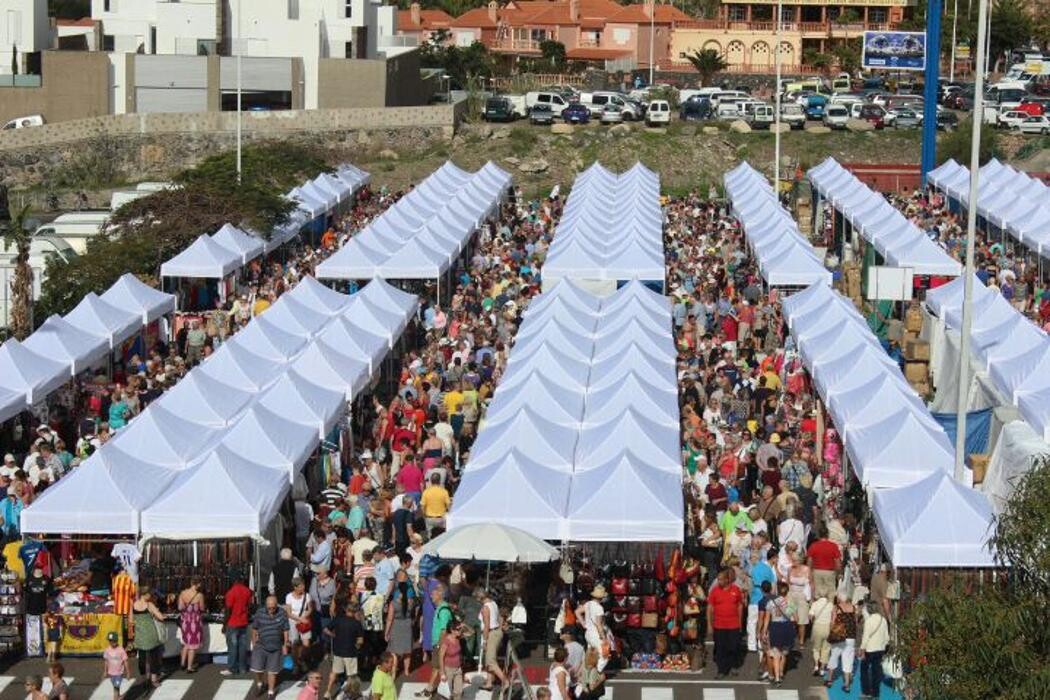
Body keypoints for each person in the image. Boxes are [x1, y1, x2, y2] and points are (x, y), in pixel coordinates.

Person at [251, 595, 290, 700]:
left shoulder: (282, 613)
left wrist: (286, 643)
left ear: (276, 605)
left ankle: (271, 692)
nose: (271, 610)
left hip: (276, 646)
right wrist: (254, 642)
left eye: (273, 608)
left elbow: (286, 629)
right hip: (260, 645)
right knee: (258, 668)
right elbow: (254, 628)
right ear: (266, 606)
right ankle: (260, 684)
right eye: (269, 608)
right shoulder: (259, 613)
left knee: (272, 671)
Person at [707, 568, 744, 679]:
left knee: (733, 647)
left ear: (728, 579)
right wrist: (709, 624)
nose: (719, 582)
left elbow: (740, 606)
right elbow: (710, 608)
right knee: (720, 648)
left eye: (721, 579)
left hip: (733, 625)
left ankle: (732, 665)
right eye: (718, 579)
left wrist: (740, 622)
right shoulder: (714, 591)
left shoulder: (736, 590)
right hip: (719, 625)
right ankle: (721, 670)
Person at [324, 602, 364, 700]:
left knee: (334, 672)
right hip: (350, 652)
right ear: (355, 611)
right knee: (351, 675)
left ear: (346, 610)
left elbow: (325, 629)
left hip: (338, 651)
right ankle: (351, 694)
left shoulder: (338, 620)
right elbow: (360, 640)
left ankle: (327, 692)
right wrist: (357, 646)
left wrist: (333, 635)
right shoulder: (356, 623)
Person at [129, 587, 166, 691]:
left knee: (142, 658)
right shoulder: (149, 605)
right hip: (151, 634)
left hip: (140, 635)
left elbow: (131, 621)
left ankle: (145, 678)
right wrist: (160, 615)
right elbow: (161, 617)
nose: (151, 596)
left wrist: (139, 624)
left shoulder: (133, 605)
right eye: (150, 594)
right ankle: (154, 680)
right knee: (154, 657)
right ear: (145, 595)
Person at [760, 581, 796, 686]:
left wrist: (764, 632)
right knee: (784, 652)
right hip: (786, 627)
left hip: (775, 627)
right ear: (787, 592)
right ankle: (780, 673)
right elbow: (795, 618)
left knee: (775, 654)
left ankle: (776, 678)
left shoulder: (771, 603)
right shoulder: (790, 603)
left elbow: (766, 619)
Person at [384, 570, 417, 676]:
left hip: (396, 625)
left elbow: (389, 619)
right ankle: (407, 670)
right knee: (407, 650)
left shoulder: (393, 603)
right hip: (407, 624)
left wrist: (386, 632)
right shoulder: (411, 601)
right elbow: (414, 612)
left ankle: (394, 672)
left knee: (394, 651)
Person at [825, 593, 859, 693]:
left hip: (839, 636)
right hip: (851, 637)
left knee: (834, 656)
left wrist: (830, 632)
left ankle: (829, 680)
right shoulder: (853, 607)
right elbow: (855, 622)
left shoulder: (836, 608)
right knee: (848, 660)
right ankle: (847, 684)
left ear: (839, 598)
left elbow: (832, 622)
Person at [746, 549, 777, 656]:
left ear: (755, 558)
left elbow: (751, 584)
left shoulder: (753, 570)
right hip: (766, 599)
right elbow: (773, 585)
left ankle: (751, 644)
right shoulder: (768, 569)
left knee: (752, 621)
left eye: (751, 558)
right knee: (765, 621)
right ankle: (761, 643)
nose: (750, 560)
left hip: (755, 598)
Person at [858, 601, 890, 699]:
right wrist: (885, 646)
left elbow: (865, 637)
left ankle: (866, 691)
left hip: (869, 649)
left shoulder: (869, 621)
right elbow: (886, 636)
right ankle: (875, 693)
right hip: (880, 649)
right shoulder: (883, 619)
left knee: (864, 670)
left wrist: (861, 649)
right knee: (876, 671)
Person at [223, 576, 253, 676]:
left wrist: (224, 624)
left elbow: (228, 610)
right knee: (242, 646)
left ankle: (232, 668)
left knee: (232, 647)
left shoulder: (231, 592)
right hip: (243, 622)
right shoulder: (248, 591)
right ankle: (242, 667)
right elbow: (249, 606)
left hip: (232, 623)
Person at [478, 588, 507, 690]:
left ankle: (505, 681)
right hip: (496, 632)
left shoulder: (485, 608)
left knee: (490, 661)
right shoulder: (493, 603)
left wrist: (485, 641)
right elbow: (500, 618)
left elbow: (486, 626)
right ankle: (489, 682)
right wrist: (499, 629)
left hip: (491, 633)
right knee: (489, 659)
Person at [177, 577, 205, 673]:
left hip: (185, 621)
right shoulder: (199, 595)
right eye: (200, 584)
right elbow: (202, 608)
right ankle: (189, 667)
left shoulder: (183, 593)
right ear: (197, 584)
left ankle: (182, 663)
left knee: (186, 643)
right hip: (195, 621)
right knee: (192, 645)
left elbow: (180, 607)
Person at [286, 578, 314, 675]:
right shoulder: (289, 597)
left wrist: (304, 616)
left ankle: (302, 660)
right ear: (295, 587)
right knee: (295, 644)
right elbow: (289, 613)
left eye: (303, 586)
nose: (303, 588)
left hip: (304, 621)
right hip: (293, 621)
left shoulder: (307, 596)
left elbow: (310, 609)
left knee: (306, 644)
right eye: (301, 586)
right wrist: (299, 619)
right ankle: (296, 664)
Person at [438, 623, 465, 700]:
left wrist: (464, 626)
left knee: (459, 691)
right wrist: (442, 672)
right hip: (448, 669)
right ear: (452, 630)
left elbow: (471, 632)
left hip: (458, 668)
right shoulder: (446, 641)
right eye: (458, 629)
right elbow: (441, 656)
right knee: (446, 693)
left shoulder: (458, 638)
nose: (460, 631)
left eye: (460, 629)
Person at [809, 594, 834, 678]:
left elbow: (811, 617)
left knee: (816, 648)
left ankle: (816, 666)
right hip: (827, 627)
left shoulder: (815, 604)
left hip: (817, 627)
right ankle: (822, 668)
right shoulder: (831, 605)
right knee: (826, 648)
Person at [577, 585, 606, 651]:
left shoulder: (588, 603)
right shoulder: (599, 608)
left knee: (591, 656)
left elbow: (577, 612)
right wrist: (603, 637)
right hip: (596, 634)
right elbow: (598, 624)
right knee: (602, 657)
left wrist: (583, 624)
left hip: (588, 633)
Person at [101, 632, 130, 700]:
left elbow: (126, 661)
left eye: (113, 641)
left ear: (116, 640)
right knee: (115, 686)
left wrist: (128, 672)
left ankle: (115, 698)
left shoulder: (121, 650)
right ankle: (119, 697)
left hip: (119, 673)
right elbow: (106, 661)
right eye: (110, 641)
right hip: (111, 673)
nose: (111, 642)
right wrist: (105, 671)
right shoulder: (107, 650)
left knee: (116, 687)